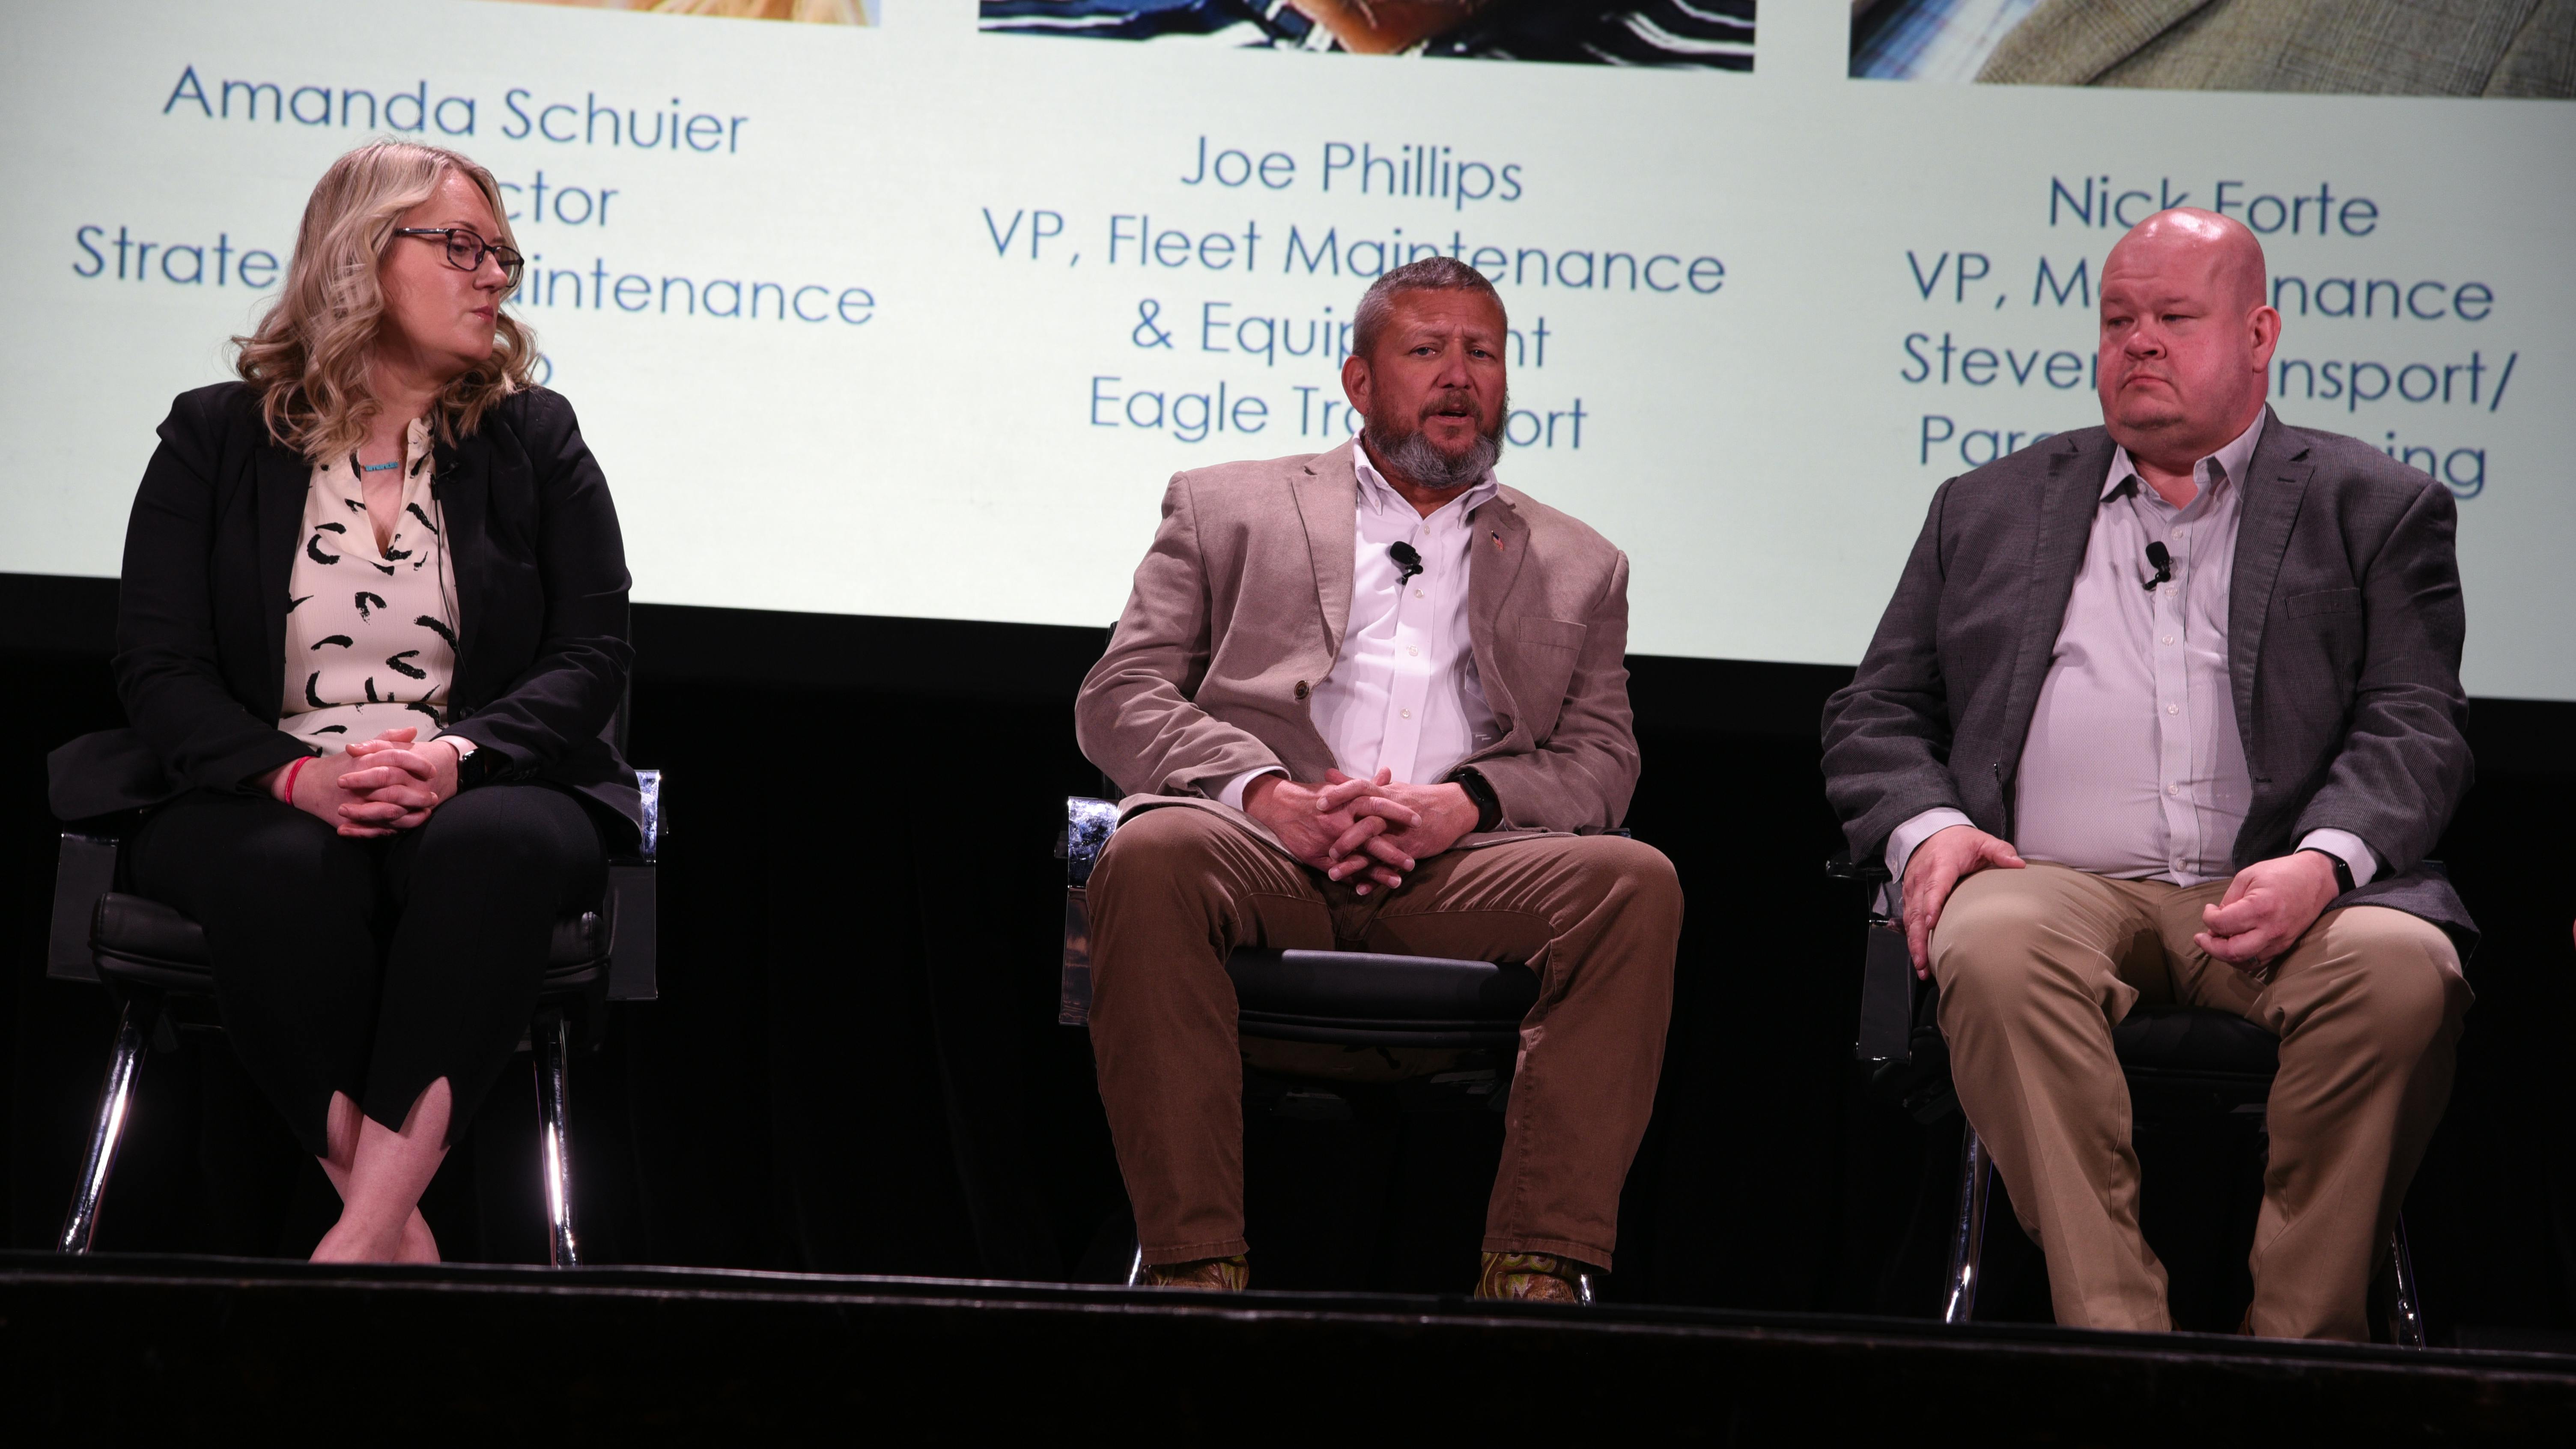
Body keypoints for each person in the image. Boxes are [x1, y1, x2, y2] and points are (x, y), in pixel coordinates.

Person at [1822, 208, 2474, 1340]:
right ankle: (2118, 1340)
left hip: (2289, 895)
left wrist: (2323, 867)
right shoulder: (1987, 506)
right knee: (1989, 939)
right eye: (2120, 319)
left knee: (2406, 969)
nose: (2140, 343)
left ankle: (2302, 1355)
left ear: (2260, 333)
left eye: (2175, 317)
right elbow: (1875, 710)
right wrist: (1928, 829)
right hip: (2058, 882)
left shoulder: (2374, 506)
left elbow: (2415, 727)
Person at [48, 140, 638, 1264]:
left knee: (495, 848)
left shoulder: (536, 441)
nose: (494, 276)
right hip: (256, 784)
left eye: (503, 253)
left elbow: (590, 655)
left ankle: (358, 1238)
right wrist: (294, 776)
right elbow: (159, 668)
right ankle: (393, 1230)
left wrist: (459, 756)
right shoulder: (215, 438)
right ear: (360, 255)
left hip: (484, 782)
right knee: (277, 867)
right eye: (460, 246)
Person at [1075, 256, 1680, 1301]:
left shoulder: (1581, 563)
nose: (1460, 376)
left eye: (1482, 353)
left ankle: (1534, 1269)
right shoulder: (1226, 506)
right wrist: (1270, 797)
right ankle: (1194, 1268)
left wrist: (1466, 806)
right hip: (1261, 854)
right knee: (1154, 851)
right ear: (1358, 381)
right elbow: (1119, 695)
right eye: (1426, 351)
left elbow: (1602, 760)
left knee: (1634, 882)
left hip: (1459, 873)